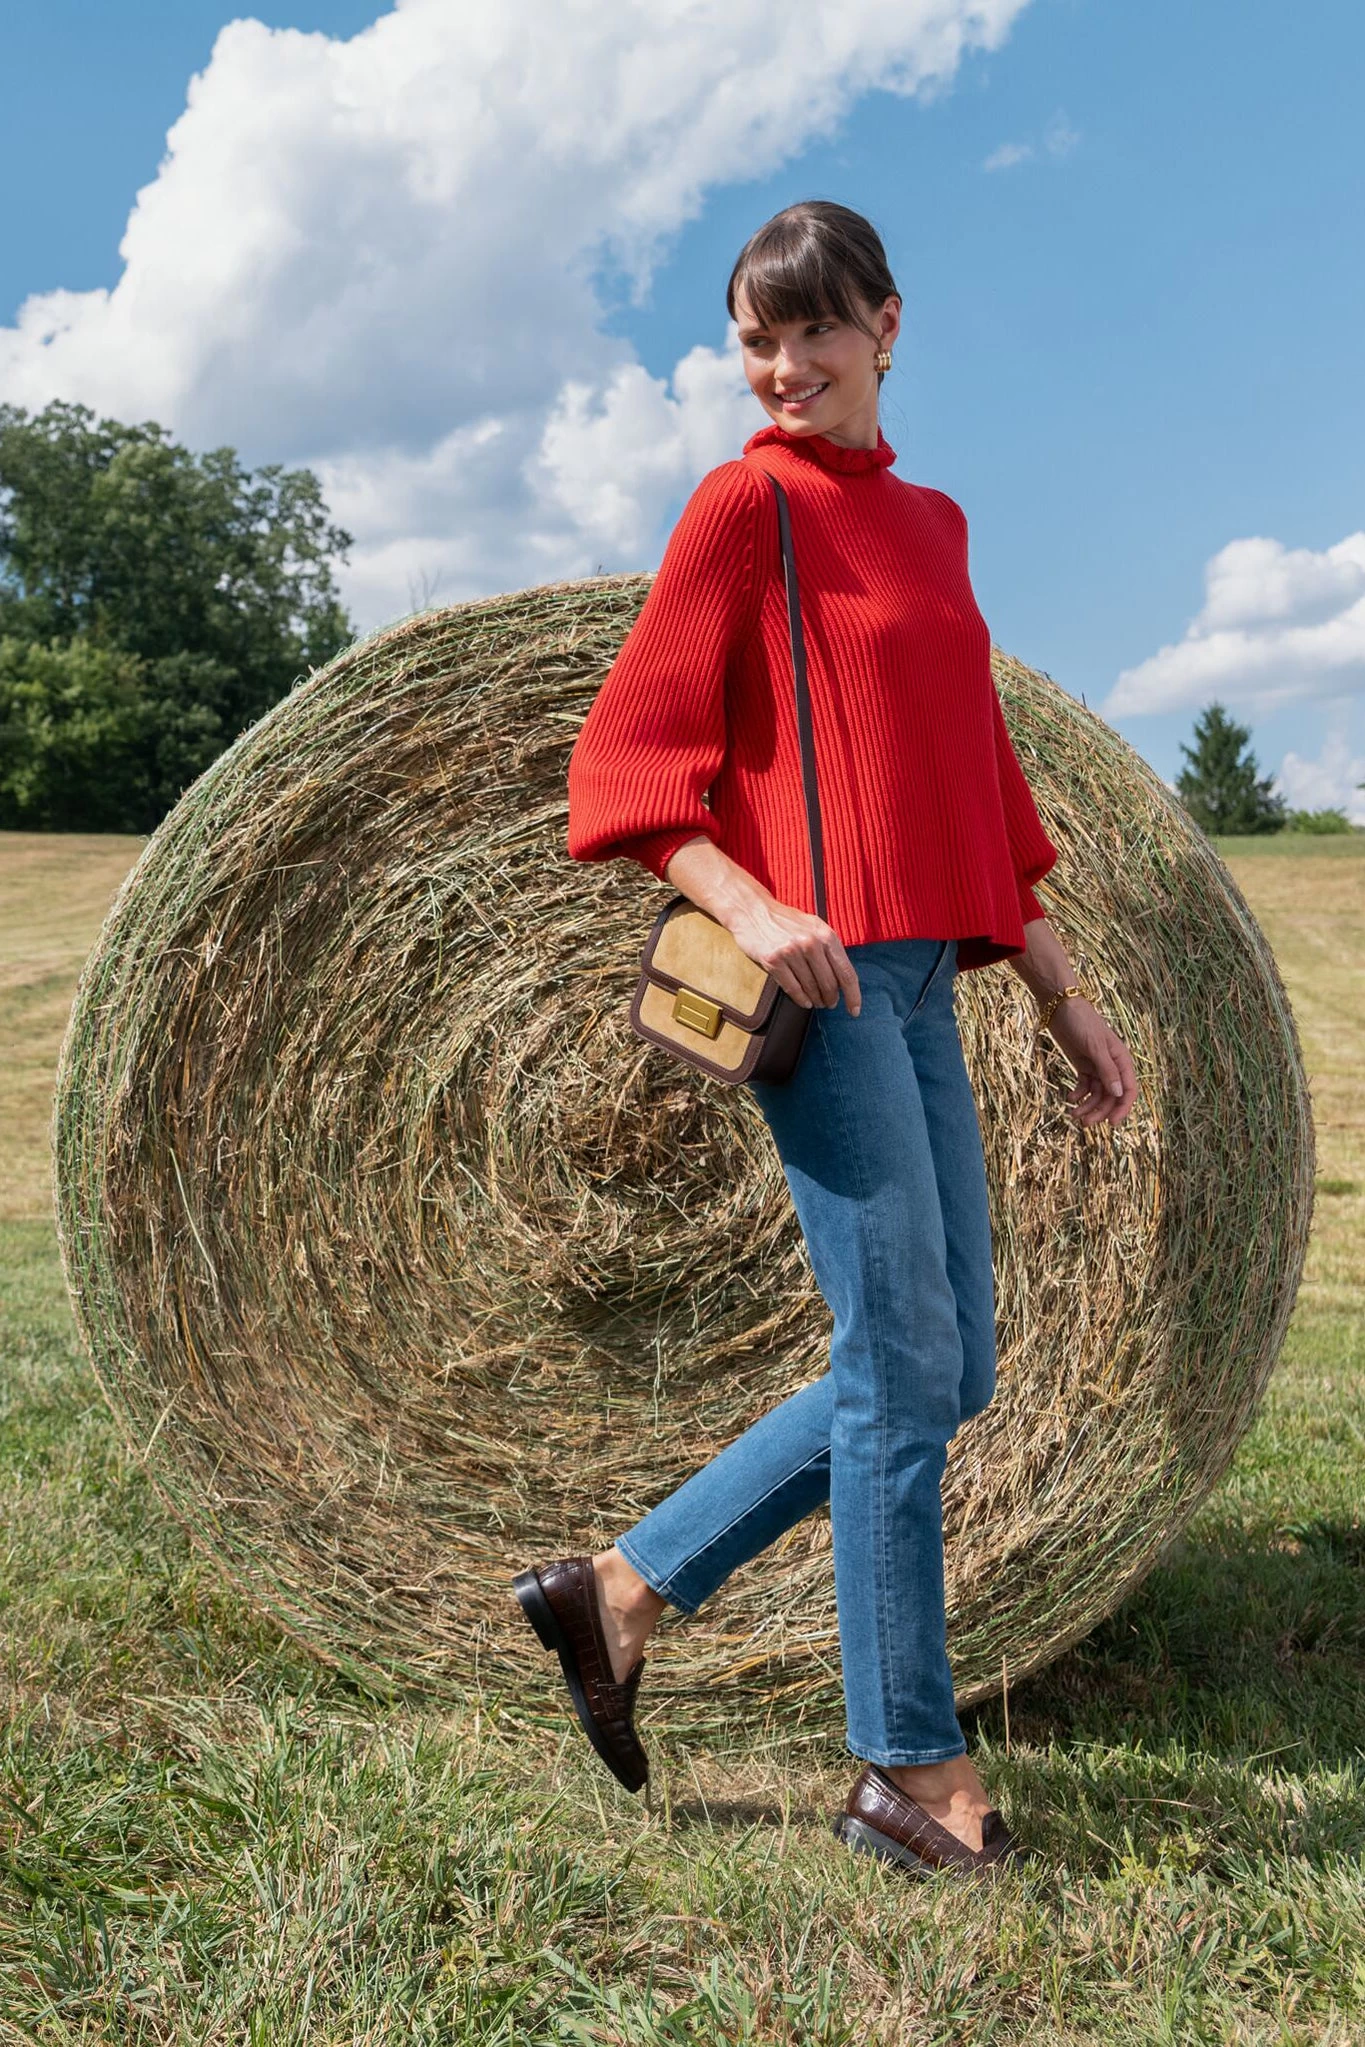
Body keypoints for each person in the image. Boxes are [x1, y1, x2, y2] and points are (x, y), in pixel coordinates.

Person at [512, 199, 1138, 1881]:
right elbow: (628, 759)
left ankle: (620, 1588)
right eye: (755, 340)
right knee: (900, 1358)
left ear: (887, 327)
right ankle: (908, 1762)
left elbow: (975, 776)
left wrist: (1060, 986)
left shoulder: (932, 526)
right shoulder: (744, 508)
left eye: (814, 331)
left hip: (930, 970)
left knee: (954, 1364)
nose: (784, 367)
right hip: (829, 974)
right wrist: (752, 898)